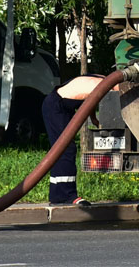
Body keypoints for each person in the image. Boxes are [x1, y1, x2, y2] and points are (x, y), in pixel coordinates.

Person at [41, 75, 103, 206]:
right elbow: (91, 98)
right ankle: (68, 195)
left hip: (60, 106)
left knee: (60, 151)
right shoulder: (100, 85)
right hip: (56, 107)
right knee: (65, 149)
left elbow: (91, 101)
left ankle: (57, 195)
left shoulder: (102, 83)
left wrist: (93, 118)